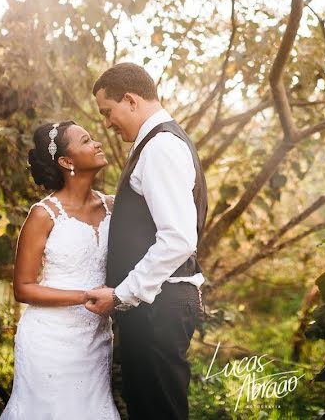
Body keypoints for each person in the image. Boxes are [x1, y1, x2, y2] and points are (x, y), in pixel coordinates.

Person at [84, 62, 207, 420]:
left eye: (108, 112)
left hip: (158, 308)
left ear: (131, 100)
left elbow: (179, 238)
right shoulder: (159, 143)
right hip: (158, 306)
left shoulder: (159, 148)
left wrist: (123, 293)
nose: (107, 122)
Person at [1, 122, 120, 420]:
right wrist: (85, 296)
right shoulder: (43, 215)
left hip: (97, 340)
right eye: (86, 141)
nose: (96, 144)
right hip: (49, 342)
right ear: (67, 162)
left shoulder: (113, 207)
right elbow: (23, 287)